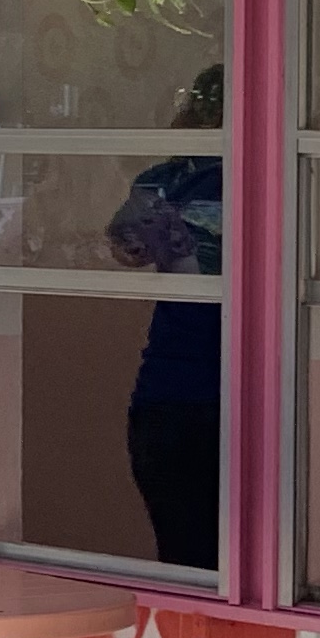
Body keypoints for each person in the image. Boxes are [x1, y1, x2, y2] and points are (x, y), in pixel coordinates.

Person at [104, 67, 225, 570]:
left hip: (180, 387)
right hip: (189, 386)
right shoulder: (166, 179)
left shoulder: (163, 181)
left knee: (189, 559)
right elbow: (125, 244)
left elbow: (124, 245)